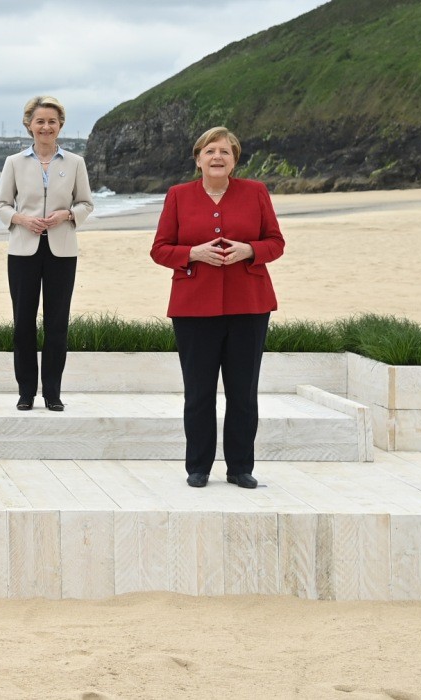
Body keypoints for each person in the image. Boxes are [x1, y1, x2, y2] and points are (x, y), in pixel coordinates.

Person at [149, 126, 285, 489]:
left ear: (234, 160)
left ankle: (240, 468)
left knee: (243, 392)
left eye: (225, 151)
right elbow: (160, 249)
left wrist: (249, 250)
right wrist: (192, 253)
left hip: (249, 305)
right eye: (210, 151)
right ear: (198, 159)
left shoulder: (256, 192)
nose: (217, 157)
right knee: (198, 393)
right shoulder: (178, 196)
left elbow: (276, 242)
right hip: (193, 308)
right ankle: (198, 467)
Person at [0, 96, 94, 412]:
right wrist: (22, 219)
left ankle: (52, 393)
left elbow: (86, 203)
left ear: (60, 125)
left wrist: (67, 215)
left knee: (57, 324)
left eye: (52, 121)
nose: (46, 127)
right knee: (23, 323)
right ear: (29, 125)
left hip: (62, 252)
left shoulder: (75, 163)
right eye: (40, 121)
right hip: (22, 251)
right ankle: (26, 392)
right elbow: (1, 205)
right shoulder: (14, 162)